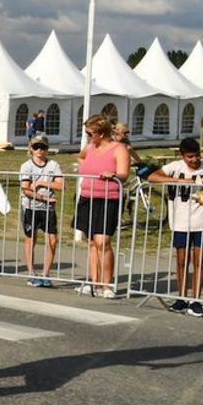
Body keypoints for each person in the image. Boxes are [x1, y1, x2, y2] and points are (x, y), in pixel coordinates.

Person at [147, 137, 203, 316]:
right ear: (182, 156)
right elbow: (151, 176)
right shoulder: (175, 167)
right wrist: (183, 182)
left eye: (196, 156)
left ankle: (196, 300)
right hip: (180, 222)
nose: (194, 160)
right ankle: (181, 298)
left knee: (200, 262)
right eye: (190, 157)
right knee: (182, 261)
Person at [76, 114, 127, 299]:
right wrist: (84, 166)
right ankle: (94, 282)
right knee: (91, 241)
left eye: (91, 133)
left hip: (109, 198)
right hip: (88, 196)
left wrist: (112, 175)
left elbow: (123, 174)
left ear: (102, 132)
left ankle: (107, 285)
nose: (88, 136)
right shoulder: (89, 147)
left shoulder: (118, 148)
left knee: (103, 241)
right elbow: (80, 157)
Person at [18, 134, 63, 287]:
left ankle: (46, 274)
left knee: (52, 239)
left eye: (42, 147)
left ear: (47, 149)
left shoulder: (54, 165)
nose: (39, 150)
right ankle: (31, 272)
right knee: (31, 238)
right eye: (36, 147)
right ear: (31, 149)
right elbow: (26, 189)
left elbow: (61, 185)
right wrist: (43, 198)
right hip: (31, 207)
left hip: (49, 209)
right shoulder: (26, 166)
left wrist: (41, 182)